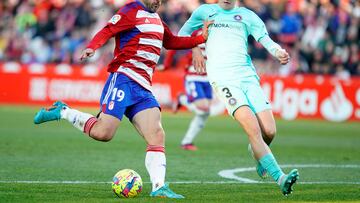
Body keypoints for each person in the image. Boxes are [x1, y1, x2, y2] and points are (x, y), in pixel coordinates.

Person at [33, 0, 212, 199]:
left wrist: (200, 39)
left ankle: (158, 187)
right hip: (124, 79)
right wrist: (93, 46)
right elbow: (108, 30)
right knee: (103, 133)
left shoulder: (157, 19)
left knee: (157, 135)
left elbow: (171, 42)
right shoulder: (130, 10)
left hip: (143, 87)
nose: (157, 2)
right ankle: (64, 112)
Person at [178, 0, 299, 196]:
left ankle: (258, 154)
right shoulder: (205, 12)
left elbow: (265, 38)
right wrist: (195, 48)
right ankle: (281, 178)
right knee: (253, 129)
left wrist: (278, 52)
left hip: (248, 77)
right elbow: (182, 33)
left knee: (269, 131)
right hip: (223, 80)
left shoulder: (247, 15)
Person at [163, 29, 213, 151]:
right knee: (203, 108)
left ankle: (187, 142)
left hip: (208, 78)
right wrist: (166, 65)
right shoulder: (194, 30)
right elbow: (175, 44)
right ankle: (182, 98)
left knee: (205, 112)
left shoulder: (220, 30)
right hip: (193, 75)